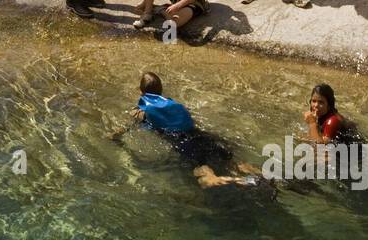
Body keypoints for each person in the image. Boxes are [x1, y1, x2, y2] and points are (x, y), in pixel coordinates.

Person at [111, 72, 265, 188]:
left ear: (141, 91)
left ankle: (237, 181)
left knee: (206, 176)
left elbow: (124, 128)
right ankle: (265, 176)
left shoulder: (140, 111)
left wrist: (114, 137)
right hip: (203, 136)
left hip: (184, 143)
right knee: (234, 163)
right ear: (161, 90)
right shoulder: (172, 104)